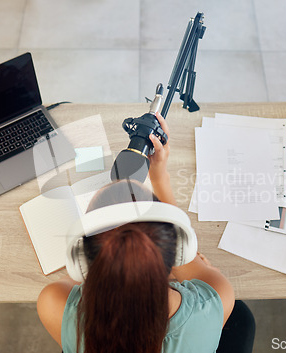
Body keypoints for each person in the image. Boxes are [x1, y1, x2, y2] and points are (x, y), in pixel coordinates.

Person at [37, 113, 254, 353]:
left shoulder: (52, 303)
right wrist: (160, 177)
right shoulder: (216, 299)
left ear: (81, 263)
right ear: (179, 250)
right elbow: (195, 265)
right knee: (243, 319)